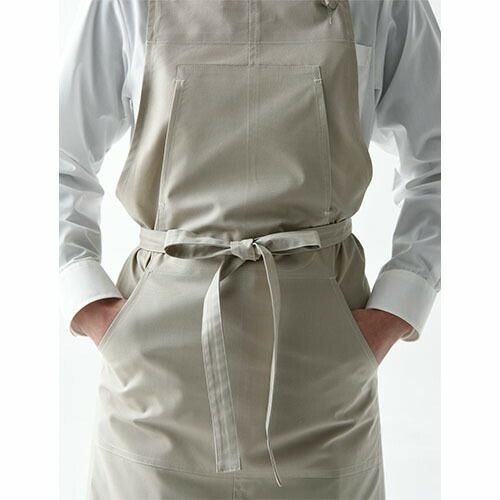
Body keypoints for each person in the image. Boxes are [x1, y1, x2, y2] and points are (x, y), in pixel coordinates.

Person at [59, 0, 441, 498]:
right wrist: (90, 305)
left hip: (321, 383)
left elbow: (445, 160)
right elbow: (56, 155)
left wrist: (395, 311)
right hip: (154, 383)